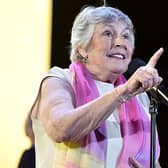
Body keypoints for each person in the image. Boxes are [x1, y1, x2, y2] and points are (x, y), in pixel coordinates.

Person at [31, 5, 163, 168]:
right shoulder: (60, 80)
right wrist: (123, 92)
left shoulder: (139, 96)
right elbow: (61, 129)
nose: (120, 42)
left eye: (126, 36)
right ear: (83, 48)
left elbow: (153, 162)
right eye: (108, 33)